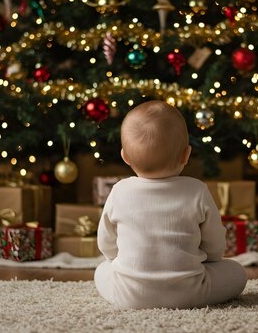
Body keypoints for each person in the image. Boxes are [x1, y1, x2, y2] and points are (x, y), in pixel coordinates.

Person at [94, 100, 247, 309]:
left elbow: (106, 242)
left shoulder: (119, 191)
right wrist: (210, 260)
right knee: (237, 272)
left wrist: (117, 261)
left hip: (129, 295)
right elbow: (214, 244)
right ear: (186, 155)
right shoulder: (197, 190)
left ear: (125, 157)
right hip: (191, 293)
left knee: (101, 270)